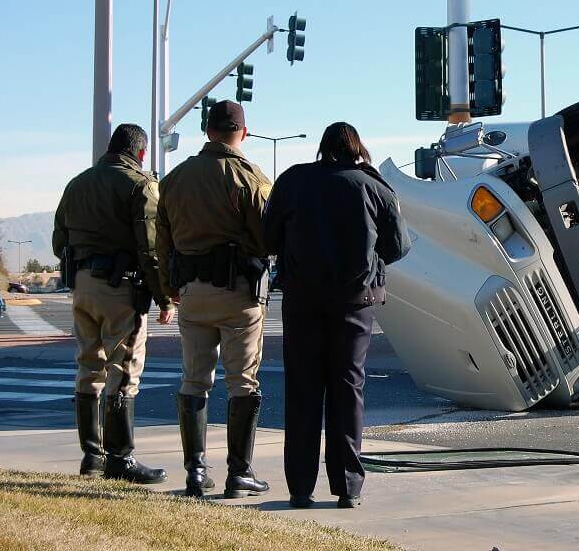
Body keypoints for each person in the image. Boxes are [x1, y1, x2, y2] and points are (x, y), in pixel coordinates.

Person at [263, 122, 411, 509]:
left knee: (303, 391)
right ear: (357, 149)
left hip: (302, 300)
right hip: (354, 301)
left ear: (322, 147)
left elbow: (266, 237)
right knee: (348, 391)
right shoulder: (374, 186)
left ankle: (299, 486)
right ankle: (347, 486)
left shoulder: (294, 181)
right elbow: (398, 246)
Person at [155, 100, 272, 499]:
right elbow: (265, 237)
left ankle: (195, 472)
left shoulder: (175, 179)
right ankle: (239, 472)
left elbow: (162, 243)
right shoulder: (250, 177)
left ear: (207, 132)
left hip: (192, 293)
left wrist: (170, 290)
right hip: (238, 293)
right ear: (243, 132)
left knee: (194, 380)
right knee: (242, 382)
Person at [52, 124, 170, 484]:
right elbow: (150, 248)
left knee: (89, 368)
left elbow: (59, 241)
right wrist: (164, 295)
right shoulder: (140, 184)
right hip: (121, 287)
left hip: (83, 283)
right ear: (141, 153)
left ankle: (92, 456)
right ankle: (121, 458)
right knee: (124, 372)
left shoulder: (77, 183)